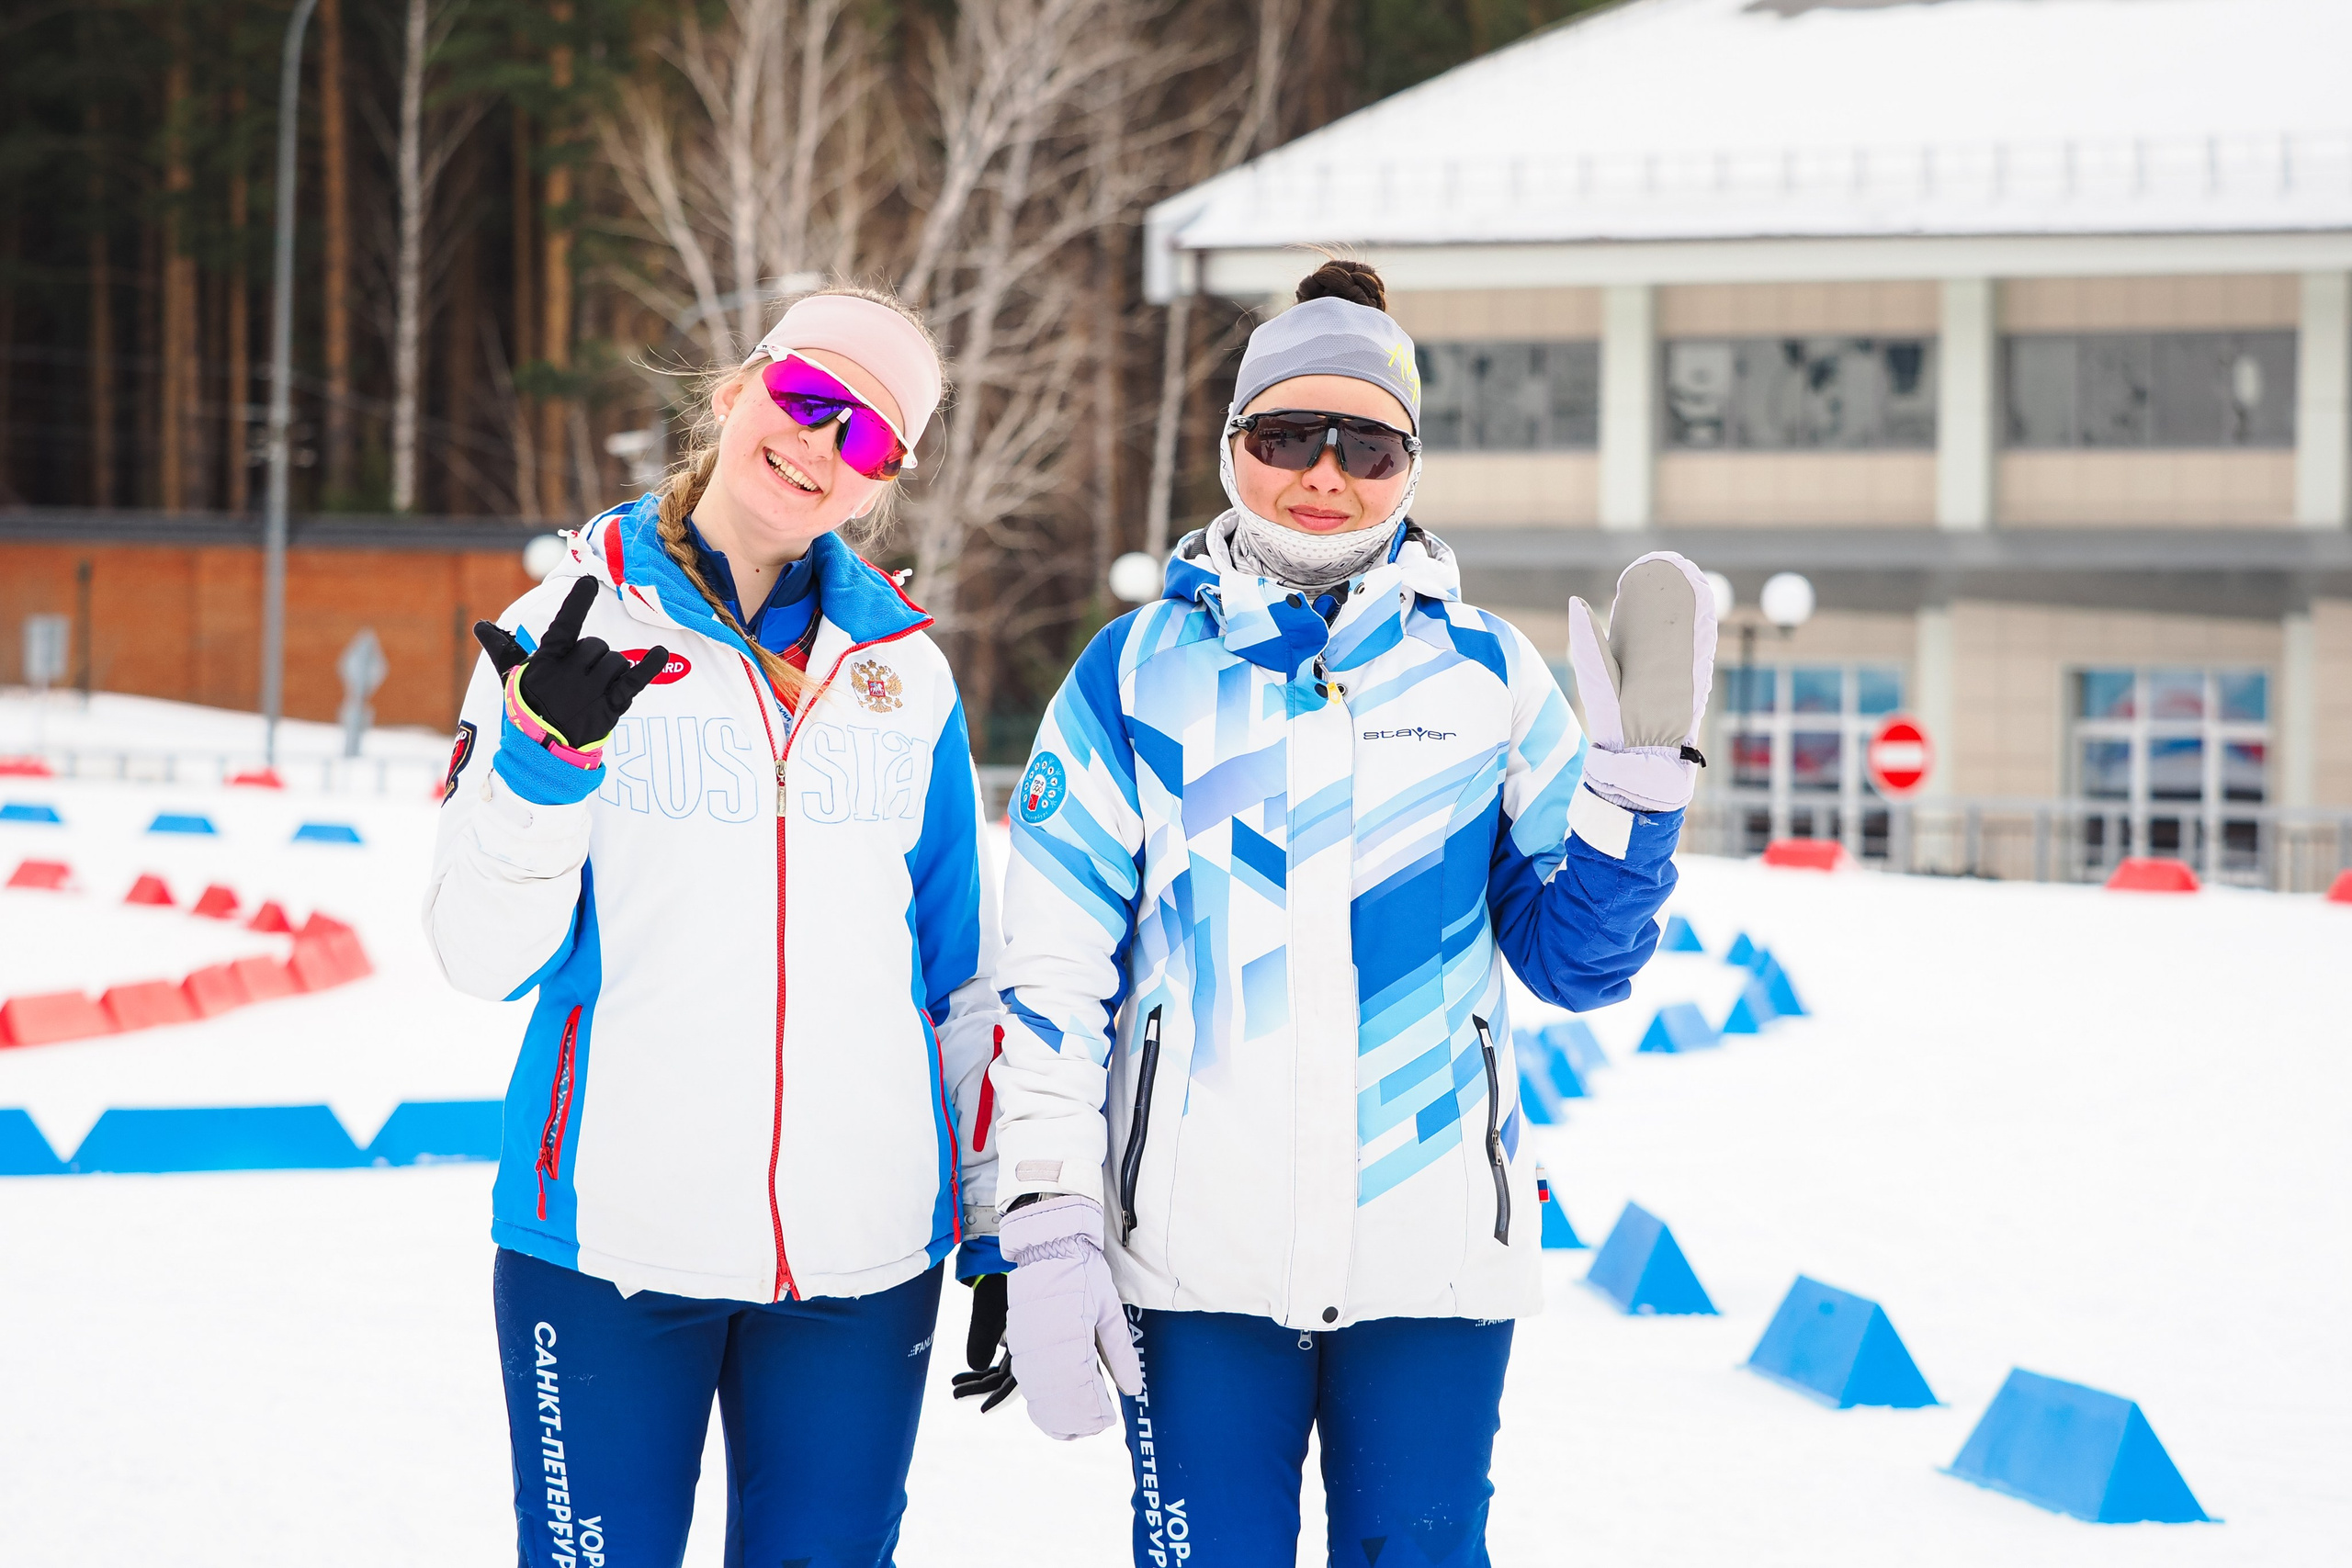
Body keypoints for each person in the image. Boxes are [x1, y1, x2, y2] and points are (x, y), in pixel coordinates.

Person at [975, 258, 1714, 1565]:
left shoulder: (1491, 675)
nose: (1324, 472)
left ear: (1411, 468)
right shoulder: (1135, 675)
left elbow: (1579, 967)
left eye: (1366, 445)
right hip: (1194, 1270)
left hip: (1429, 1263)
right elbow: (1051, 972)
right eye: (1287, 436)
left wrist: (1633, 814)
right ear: (1230, 450)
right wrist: (1042, 1216)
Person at [424, 287, 1003, 1568]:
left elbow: (960, 977)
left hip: (861, 1268)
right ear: (738, 389)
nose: (818, 447)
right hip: (607, 1248)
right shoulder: (561, 627)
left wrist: (996, 1214)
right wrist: (540, 765)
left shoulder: (903, 674)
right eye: (806, 401)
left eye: (866, 440)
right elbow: (478, 953)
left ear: (881, 484)